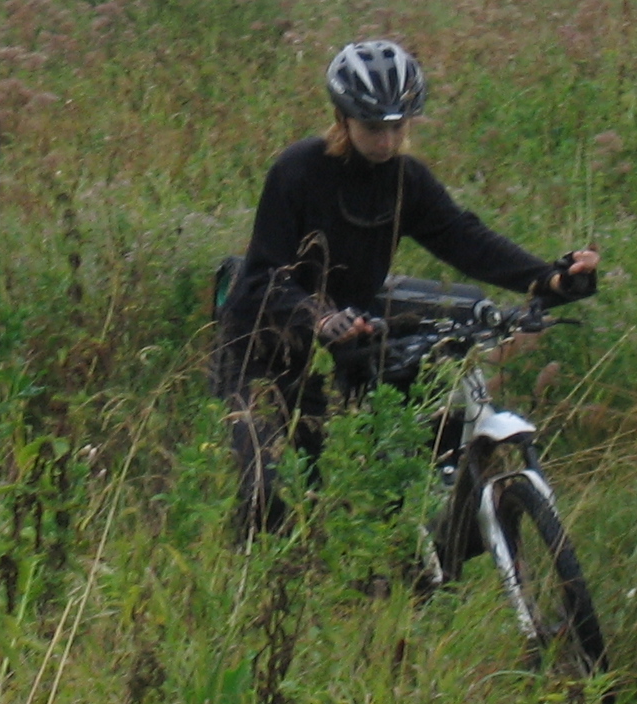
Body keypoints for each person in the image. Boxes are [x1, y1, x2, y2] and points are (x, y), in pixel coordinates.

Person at [216, 39, 599, 538]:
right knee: (272, 492)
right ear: (342, 118)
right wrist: (318, 315)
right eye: (374, 128)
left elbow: (464, 239)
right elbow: (261, 278)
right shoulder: (299, 170)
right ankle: (251, 580)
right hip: (263, 354)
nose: (387, 141)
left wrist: (549, 278)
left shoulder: (406, 180)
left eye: (399, 127)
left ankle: (409, 571)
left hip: (343, 347)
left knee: (368, 489)